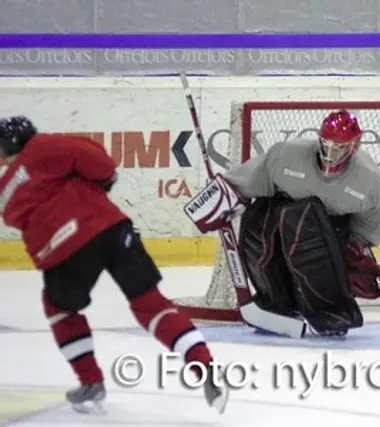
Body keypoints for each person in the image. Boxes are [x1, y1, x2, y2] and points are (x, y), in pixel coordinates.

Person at [0, 116, 228, 414]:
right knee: (151, 304)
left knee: (61, 312)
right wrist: (97, 184)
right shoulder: (46, 145)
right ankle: (204, 365)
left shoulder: (5, 188)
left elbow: (12, 216)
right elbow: (100, 163)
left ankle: (90, 381)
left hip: (63, 249)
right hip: (109, 228)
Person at [225, 109, 380, 337]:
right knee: (260, 219)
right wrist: (225, 193)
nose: (330, 153)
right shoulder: (287, 155)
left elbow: (376, 222)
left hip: (328, 231)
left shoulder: (367, 180)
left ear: (354, 146)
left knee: (306, 223)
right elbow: (254, 178)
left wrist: (355, 244)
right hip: (283, 221)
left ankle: (328, 307)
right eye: (326, 144)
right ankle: (275, 300)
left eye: (338, 148)